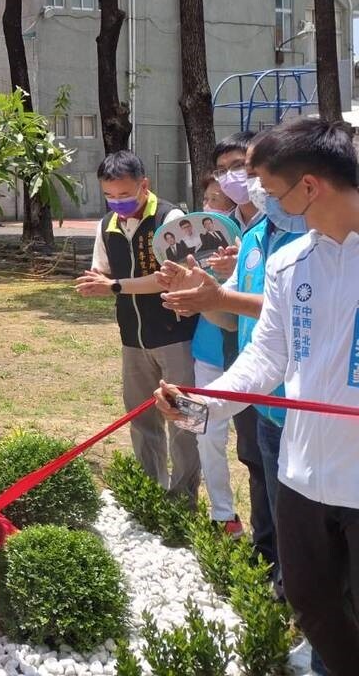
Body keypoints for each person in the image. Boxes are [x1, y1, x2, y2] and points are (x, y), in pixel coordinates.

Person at [156, 117, 359, 676]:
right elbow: (266, 359)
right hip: (303, 474)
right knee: (311, 604)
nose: (264, 201)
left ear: (310, 187)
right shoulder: (289, 265)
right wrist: (204, 405)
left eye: (271, 191)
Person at [75, 151, 200, 504]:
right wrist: (98, 281)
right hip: (132, 338)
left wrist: (115, 286)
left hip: (176, 335)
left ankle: (184, 500)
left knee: (185, 418)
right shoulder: (107, 225)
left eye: (125, 194)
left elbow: (168, 280)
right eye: (110, 196)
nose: (118, 203)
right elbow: (103, 271)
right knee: (141, 417)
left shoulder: (170, 218)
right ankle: (150, 493)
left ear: (144, 186)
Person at [189, 177, 243, 537]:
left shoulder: (253, 243)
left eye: (218, 200)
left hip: (248, 358)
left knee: (258, 447)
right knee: (203, 433)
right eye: (206, 198)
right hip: (205, 353)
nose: (210, 207)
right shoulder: (198, 247)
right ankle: (222, 514)